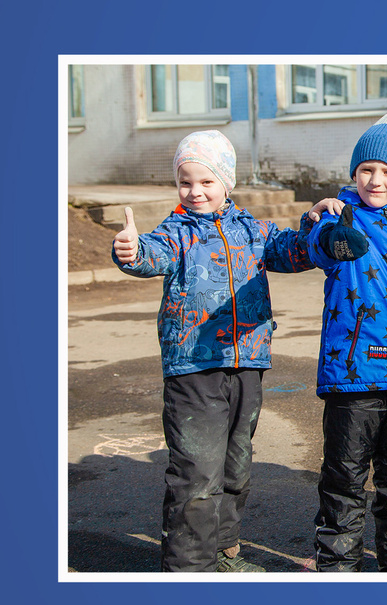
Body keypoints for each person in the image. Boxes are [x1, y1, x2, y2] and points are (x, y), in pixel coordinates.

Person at [113, 130, 316, 572]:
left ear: (228, 182)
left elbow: (294, 251)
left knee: (235, 469)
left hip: (246, 364)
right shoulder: (176, 232)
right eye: (186, 182)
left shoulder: (254, 230)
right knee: (196, 475)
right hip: (193, 368)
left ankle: (224, 553)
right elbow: (151, 254)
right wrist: (129, 250)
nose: (195, 191)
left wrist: (315, 223)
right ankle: (189, 571)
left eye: (206, 181)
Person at [287, 117, 387, 572]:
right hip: (353, 378)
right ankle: (337, 570)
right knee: (344, 481)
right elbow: (316, 243)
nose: (378, 180)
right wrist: (325, 231)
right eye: (368, 169)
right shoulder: (338, 214)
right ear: (354, 173)